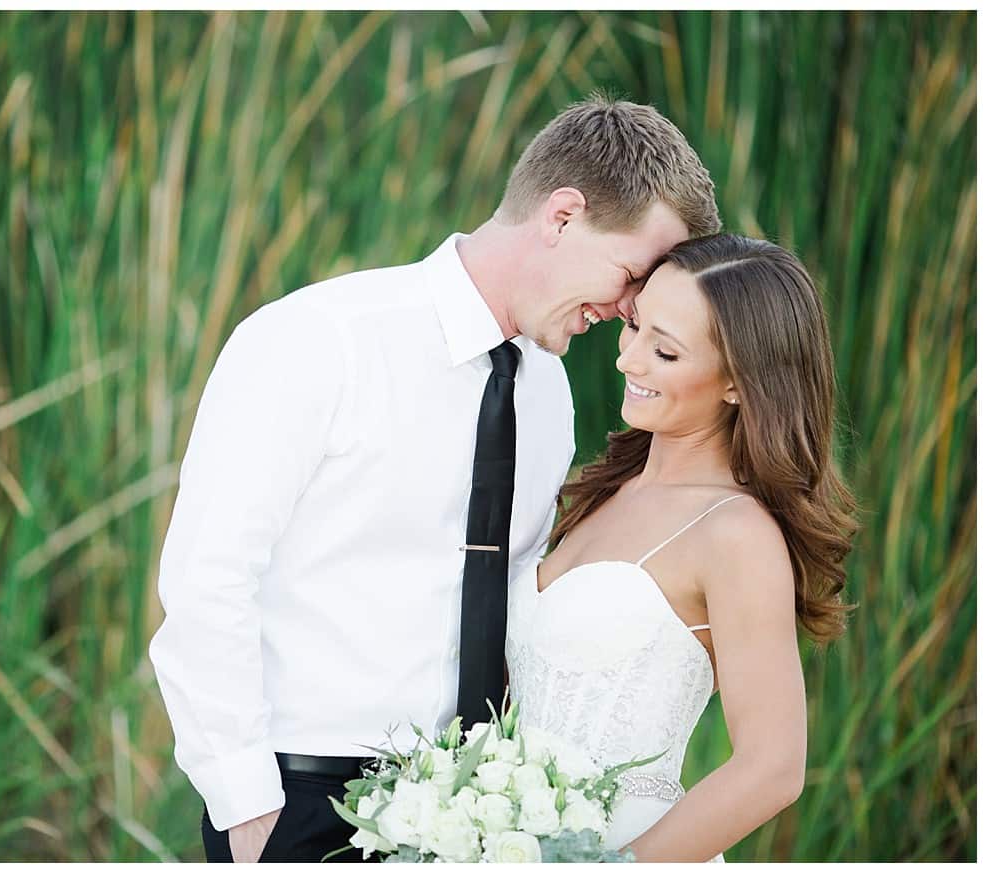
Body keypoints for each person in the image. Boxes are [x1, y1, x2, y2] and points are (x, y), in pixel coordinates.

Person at [148, 96, 721, 863]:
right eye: (629, 274)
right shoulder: (318, 340)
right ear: (561, 216)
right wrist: (246, 803)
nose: (628, 310)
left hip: (480, 813)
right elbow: (207, 579)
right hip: (302, 804)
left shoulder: (547, 393)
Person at [506, 234, 858, 862]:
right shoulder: (602, 489)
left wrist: (613, 867)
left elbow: (773, 767)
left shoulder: (735, 534)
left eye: (664, 351)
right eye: (635, 326)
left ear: (737, 384)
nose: (628, 361)